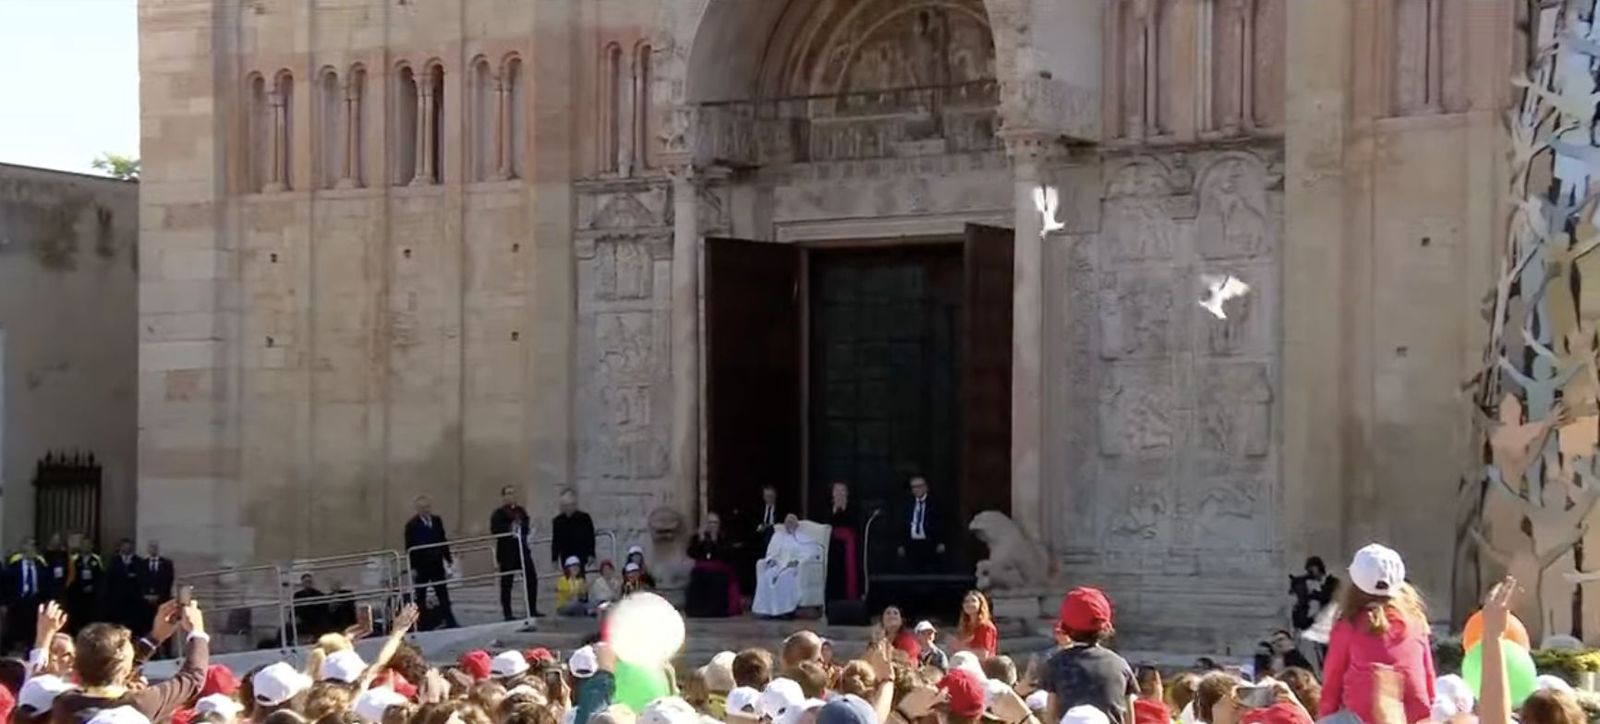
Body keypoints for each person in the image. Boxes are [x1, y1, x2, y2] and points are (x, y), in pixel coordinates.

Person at [1318, 544, 1434, 724]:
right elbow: (1428, 679)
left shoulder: (1348, 626)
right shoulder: (1416, 622)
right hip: (1415, 717)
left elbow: (1331, 686)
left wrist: (1325, 717)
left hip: (1364, 717)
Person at [53, 597, 210, 723]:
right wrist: (197, 631)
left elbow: (110, 666)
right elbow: (192, 678)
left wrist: (155, 637)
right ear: (125, 668)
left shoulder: (64, 705)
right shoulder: (142, 703)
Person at [1040, 587, 1136, 724]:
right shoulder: (1120, 665)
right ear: (1104, 627)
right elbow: (1129, 719)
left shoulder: (1056, 664)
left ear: (1066, 628)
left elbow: (1050, 717)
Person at [404, 495, 460, 630]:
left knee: (443, 594)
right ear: (417, 509)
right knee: (421, 596)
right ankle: (422, 624)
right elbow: (409, 547)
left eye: (427, 507)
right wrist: (413, 568)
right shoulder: (412, 525)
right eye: (422, 508)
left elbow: (443, 540)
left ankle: (450, 621)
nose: (425, 510)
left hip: (436, 564)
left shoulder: (436, 521)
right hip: (422, 566)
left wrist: (448, 559)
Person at [490, 485, 541, 619]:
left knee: (531, 579)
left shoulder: (521, 511)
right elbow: (495, 530)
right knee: (507, 583)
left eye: (513, 493)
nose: (511, 496)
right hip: (507, 553)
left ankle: (532, 609)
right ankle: (508, 613)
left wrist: (523, 527)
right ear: (504, 497)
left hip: (522, 550)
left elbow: (526, 525)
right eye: (508, 494)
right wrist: (510, 528)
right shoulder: (498, 513)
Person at [752, 515, 813, 619]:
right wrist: (771, 561)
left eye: (792, 522)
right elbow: (771, 552)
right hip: (778, 565)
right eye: (787, 522)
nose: (789, 525)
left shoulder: (803, 538)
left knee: (785, 577)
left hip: (793, 567)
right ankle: (768, 611)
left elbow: (809, 553)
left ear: (796, 524)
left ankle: (786, 611)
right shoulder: (778, 536)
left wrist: (797, 561)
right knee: (767, 576)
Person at [686, 512, 741, 618]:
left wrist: (715, 542)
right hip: (702, 568)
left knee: (716, 578)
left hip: (719, 568)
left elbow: (727, 554)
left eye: (715, 523)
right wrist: (701, 541)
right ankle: (698, 610)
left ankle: (716, 610)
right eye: (710, 522)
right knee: (697, 577)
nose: (712, 525)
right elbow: (691, 553)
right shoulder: (698, 536)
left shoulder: (723, 536)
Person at [4, 539, 48, 653]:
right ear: (23, 548)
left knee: (32, 631)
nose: (32, 549)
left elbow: (46, 585)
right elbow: (6, 585)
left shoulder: (40, 566)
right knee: (15, 630)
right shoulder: (14, 566)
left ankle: (30, 650)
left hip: (35, 603)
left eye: (34, 546)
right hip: (17, 603)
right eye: (29, 546)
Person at [896, 476, 944, 573]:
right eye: (914, 487)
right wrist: (900, 544)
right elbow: (901, 525)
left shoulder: (935, 503)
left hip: (929, 543)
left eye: (919, 486)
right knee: (910, 571)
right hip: (911, 544)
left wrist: (941, 542)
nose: (916, 489)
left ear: (926, 487)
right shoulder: (906, 504)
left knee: (929, 571)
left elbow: (944, 524)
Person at [823, 483, 861, 604]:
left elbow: (857, 527)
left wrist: (843, 510)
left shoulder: (854, 510)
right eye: (836, 491)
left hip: (848, 550)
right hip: (831, 550)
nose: (839, 494)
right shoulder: (826, 510)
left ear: (847, 494)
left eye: (842, 491)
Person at [1290, 557, 1340, 633]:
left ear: (1317, 567)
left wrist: (1312, 594)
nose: (1310, 573)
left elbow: (1326, 597)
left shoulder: (1332, 582)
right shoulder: (1316, 584)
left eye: (1311, 569)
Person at [551, 489, 597, 571]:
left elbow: (590, 537)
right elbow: (556, 541)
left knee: (580, 577)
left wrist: (591, 554)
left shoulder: (584, 518)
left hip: (580, 553)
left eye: (571, 504)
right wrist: (554, 558)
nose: (569, 507)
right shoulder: (557, 521)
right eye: (566, 505)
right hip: (565, 554)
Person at [68, 536, 106, 632]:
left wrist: (94, 587)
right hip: (78, 594)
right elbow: (71, 576)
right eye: (84, 545)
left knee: (92, 617)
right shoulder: (75, 559)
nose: (86, 547)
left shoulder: (96, 559)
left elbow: (101, 576)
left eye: (88, 545)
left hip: (92, 595)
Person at [956, 591, 998, 658]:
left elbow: (983, 655)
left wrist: (960, 648)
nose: (969, 604)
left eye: (973, 601)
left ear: (981, 604)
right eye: (966, 601)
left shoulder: (986, 626)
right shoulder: (965, 626)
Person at [292, 573, 328, 641]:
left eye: (309, 582)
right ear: (302, 584)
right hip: (303, 618)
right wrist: (294, 617)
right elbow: (294, 608)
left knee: (324, 622)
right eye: (306, 582)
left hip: (316, 619)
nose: (308, 584)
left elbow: (324, 608)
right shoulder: (297, 595)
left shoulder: (319, 594)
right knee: (287, 627)